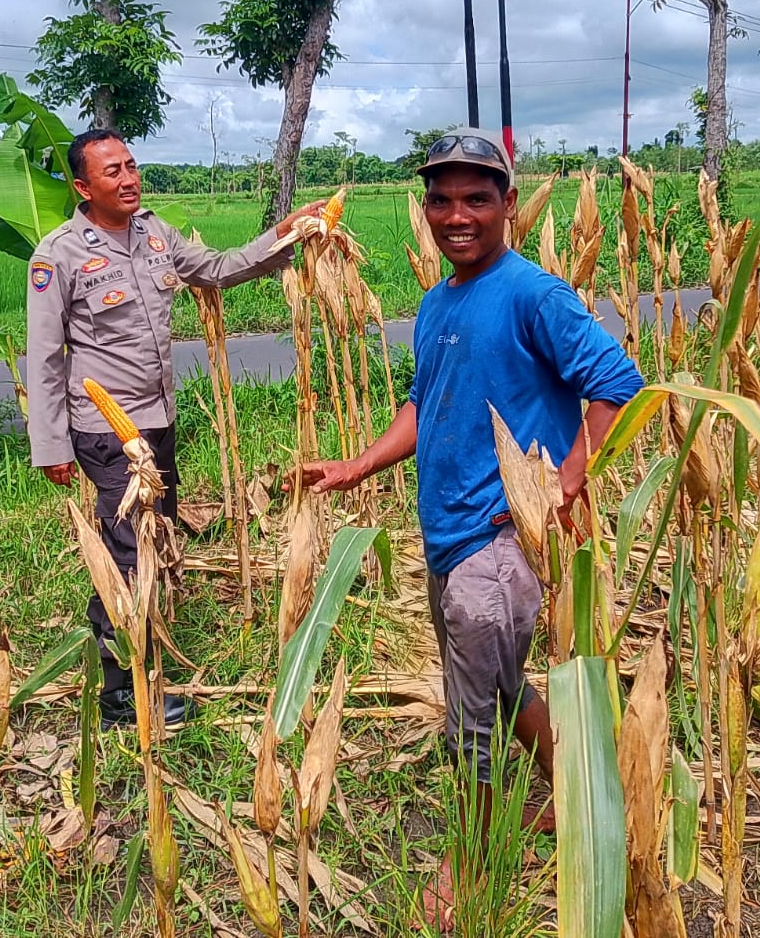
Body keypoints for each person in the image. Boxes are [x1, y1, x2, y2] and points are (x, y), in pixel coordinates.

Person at [296, 128, 645, 932]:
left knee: (472, 719)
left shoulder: (532, 295)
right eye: (442, 199)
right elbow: (426, 401)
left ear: (508, 204)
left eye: (476, 199)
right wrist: (357, 465)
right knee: (502, 684)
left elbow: (617, 384)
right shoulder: (439, 302)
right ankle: (581, 796)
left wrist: (562, 485)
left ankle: (473, 861)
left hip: (500, 542)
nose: (457, 215)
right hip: (447, 532)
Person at [28, 128, 324, 730]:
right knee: (132, 553)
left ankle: (121, 644)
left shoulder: (156, 233)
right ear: (83, 187)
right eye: (112, 171)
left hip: (158, 421)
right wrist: (51, 443)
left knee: (149, 542)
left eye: (131, 165)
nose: (128, 179)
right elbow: (44, 356)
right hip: (107, 431)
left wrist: (284, 233)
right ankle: (122, 696)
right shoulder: (57, 255)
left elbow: (217, 269)